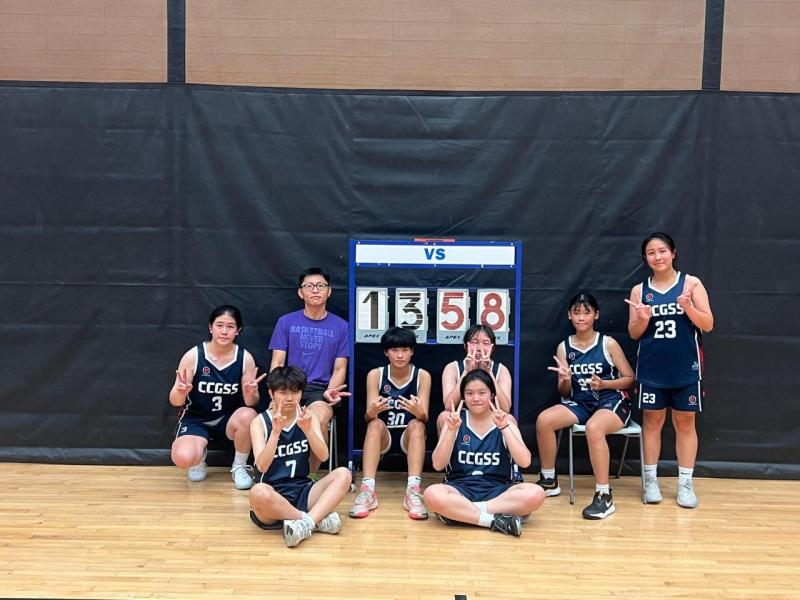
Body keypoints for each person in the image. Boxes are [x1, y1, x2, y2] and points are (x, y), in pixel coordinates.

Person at [626, 232, 714, 509]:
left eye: (662, 250)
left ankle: (685, 483)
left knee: (685, 423)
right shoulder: (640, 290)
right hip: (651, 369)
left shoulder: (691, 283)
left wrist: (688, 307)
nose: (658, 256)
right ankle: (650, 480)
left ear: (673, 253)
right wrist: (642, 319)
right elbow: (634, 333)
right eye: (651, 253)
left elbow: (708, 324)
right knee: (652, 423)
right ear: (645, 258)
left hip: (685, 368)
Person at [534, 292, 635, 519]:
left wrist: (605, 384)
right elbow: (564, 392)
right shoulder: (564, 347)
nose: (581, 317)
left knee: (594, 428)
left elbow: (630, 379)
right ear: (569, 315)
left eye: (586, 313)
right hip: (581, 401)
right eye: (576, 312)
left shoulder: (608, 343)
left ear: (596, 315)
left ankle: (604, 495)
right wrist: (565, 379)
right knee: (544, 420)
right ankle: (549, 480)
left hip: (611, 401)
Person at [424, 369, 545, 536]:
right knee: (432, 494)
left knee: (536, 493)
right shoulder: (454, 422)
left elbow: (525, 462)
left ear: (492, 395)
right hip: (460, 489)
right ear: (463, 396)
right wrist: (451, 431)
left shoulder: (505, 421)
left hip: (498, 492)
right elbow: (438, 465)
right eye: (469, 393)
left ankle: (462, 514)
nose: (475, 398)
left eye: (482, 393)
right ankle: (494, 521)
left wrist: (504, 428)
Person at [248, 366, 352, 547]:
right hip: (273, 496)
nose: (290, 398)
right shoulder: (259, 422)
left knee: (343, 474)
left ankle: (305, 524)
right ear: (271, 393)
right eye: (283, 392)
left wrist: (308, 430)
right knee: (258, 492)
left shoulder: (307, 417)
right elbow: (262, 466)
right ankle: (313, 520)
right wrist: (275, 433)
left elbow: (324, 456)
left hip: (303, 491)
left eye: (295, 392)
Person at [169, 305, 263, 489]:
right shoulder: (193, 356)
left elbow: (251, 403)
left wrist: (252, 393)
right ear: (210, 327)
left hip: (227, 420)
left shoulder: (245, 358)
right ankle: (198, 458)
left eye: (230, 326)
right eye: (219, 325)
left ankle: (239, 466)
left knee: (249, 414)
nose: (224, 331)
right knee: (182, 458)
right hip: (196, 418)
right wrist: (180, 392)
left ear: (238, 330)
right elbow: (175, 401)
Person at [269, 267, 351, 472]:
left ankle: (310, 476)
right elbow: (277, 363)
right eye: (309, 286)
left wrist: (330, 392)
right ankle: (274, 473)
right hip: (288, 386)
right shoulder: (286, 322)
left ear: (329, 291)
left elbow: (340, 368)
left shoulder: (342, 327)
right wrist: (275, 394)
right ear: (300, 292)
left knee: (319, 418)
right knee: (271, 417)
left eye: (321, 286)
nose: (315, 290)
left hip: (320, 391)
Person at [349, 327, 431, 520]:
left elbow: (425, 418)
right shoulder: (376, 375)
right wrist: (372, 411)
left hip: (408, 437)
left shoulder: (422, 375)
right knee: (374, 424)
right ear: (386, 352)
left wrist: (419, 412)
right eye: (394, 350)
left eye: (405, 350)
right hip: (384, 436)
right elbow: (368, 417)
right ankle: (368, 490)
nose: (400, 355)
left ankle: (413, 491)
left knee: (418, 425)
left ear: (412, 351)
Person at [438, 324, 513, 433]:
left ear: (492, 347)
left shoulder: (501, 370)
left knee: (509, 419)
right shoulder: (453, 368)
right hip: (460, 419)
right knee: (444, 416)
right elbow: (449, 406)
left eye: (485, 343)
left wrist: (489, 373)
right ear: (465, 345)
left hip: (492, 419)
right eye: (474, 342)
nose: (479, 348)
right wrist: (466, 371)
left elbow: (505, 408)